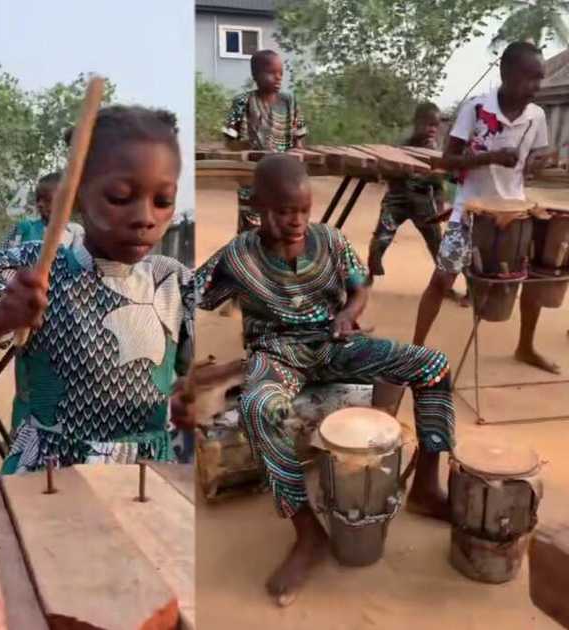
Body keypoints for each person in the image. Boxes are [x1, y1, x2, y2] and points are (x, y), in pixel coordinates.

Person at [196, 155, 455, 605]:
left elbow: (360, 285)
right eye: (282, 212)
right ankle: (307, 532)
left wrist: (349, 314)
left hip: (335, 344)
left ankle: (428, 487)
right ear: (257, 207)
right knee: (259, 408)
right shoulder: (237, 256)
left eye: (302, 209)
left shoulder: (330, 241)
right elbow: (184, 296)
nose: (295, 221)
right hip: (276, 354)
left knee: (432, 365)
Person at [0, 105, 197, 474]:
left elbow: (201, 383)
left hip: (146, 480)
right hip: (45, 476)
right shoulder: (36, 271)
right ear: (76, 195)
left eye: (163, 201)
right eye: (119, 196)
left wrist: (193, 398)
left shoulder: (173, 284)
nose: (145, 217)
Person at [412, 41, 555, 373]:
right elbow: (446, 162)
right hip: (470, 214)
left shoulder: (537, 116)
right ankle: (415, 350)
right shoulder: (476, 110)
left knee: (533, 278)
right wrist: (490, 157)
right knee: (441, 280)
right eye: (530, 77)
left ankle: (525, 346)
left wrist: (538, 162)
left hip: (515, 214)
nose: (536, 87)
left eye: (540, 78)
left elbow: (540, 155)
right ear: (506, 73)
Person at [367, 102, 467, 306]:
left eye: (435, 125)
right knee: (381, 238)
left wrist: (439, 202)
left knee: (438, 246)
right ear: (416, 123)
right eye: (428, 124)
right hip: (397, 200)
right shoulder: (402, 145)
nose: (432, 129)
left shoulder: (437, 150)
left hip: (423, 202)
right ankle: (369, 275)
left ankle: (445, 287)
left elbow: (439, 182)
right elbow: (387, 173)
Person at [222, 49, 307, 234]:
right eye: (271, 73)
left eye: (280, 74)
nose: (277, 78)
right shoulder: (243, 101)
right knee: (250, 230)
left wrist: (295, 159)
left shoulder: (289, 101)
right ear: (256, 75)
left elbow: (299, 139)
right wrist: (249, 150)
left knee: (282, 225)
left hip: (283, 175)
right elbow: (229, 140)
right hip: (252, 174)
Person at [2, 171, 85, 248]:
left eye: (47, 200)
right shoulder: (23, 227)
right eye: (38, 199)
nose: (40, 204)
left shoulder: (76, 231)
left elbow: (80, 262)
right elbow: (1, 257)